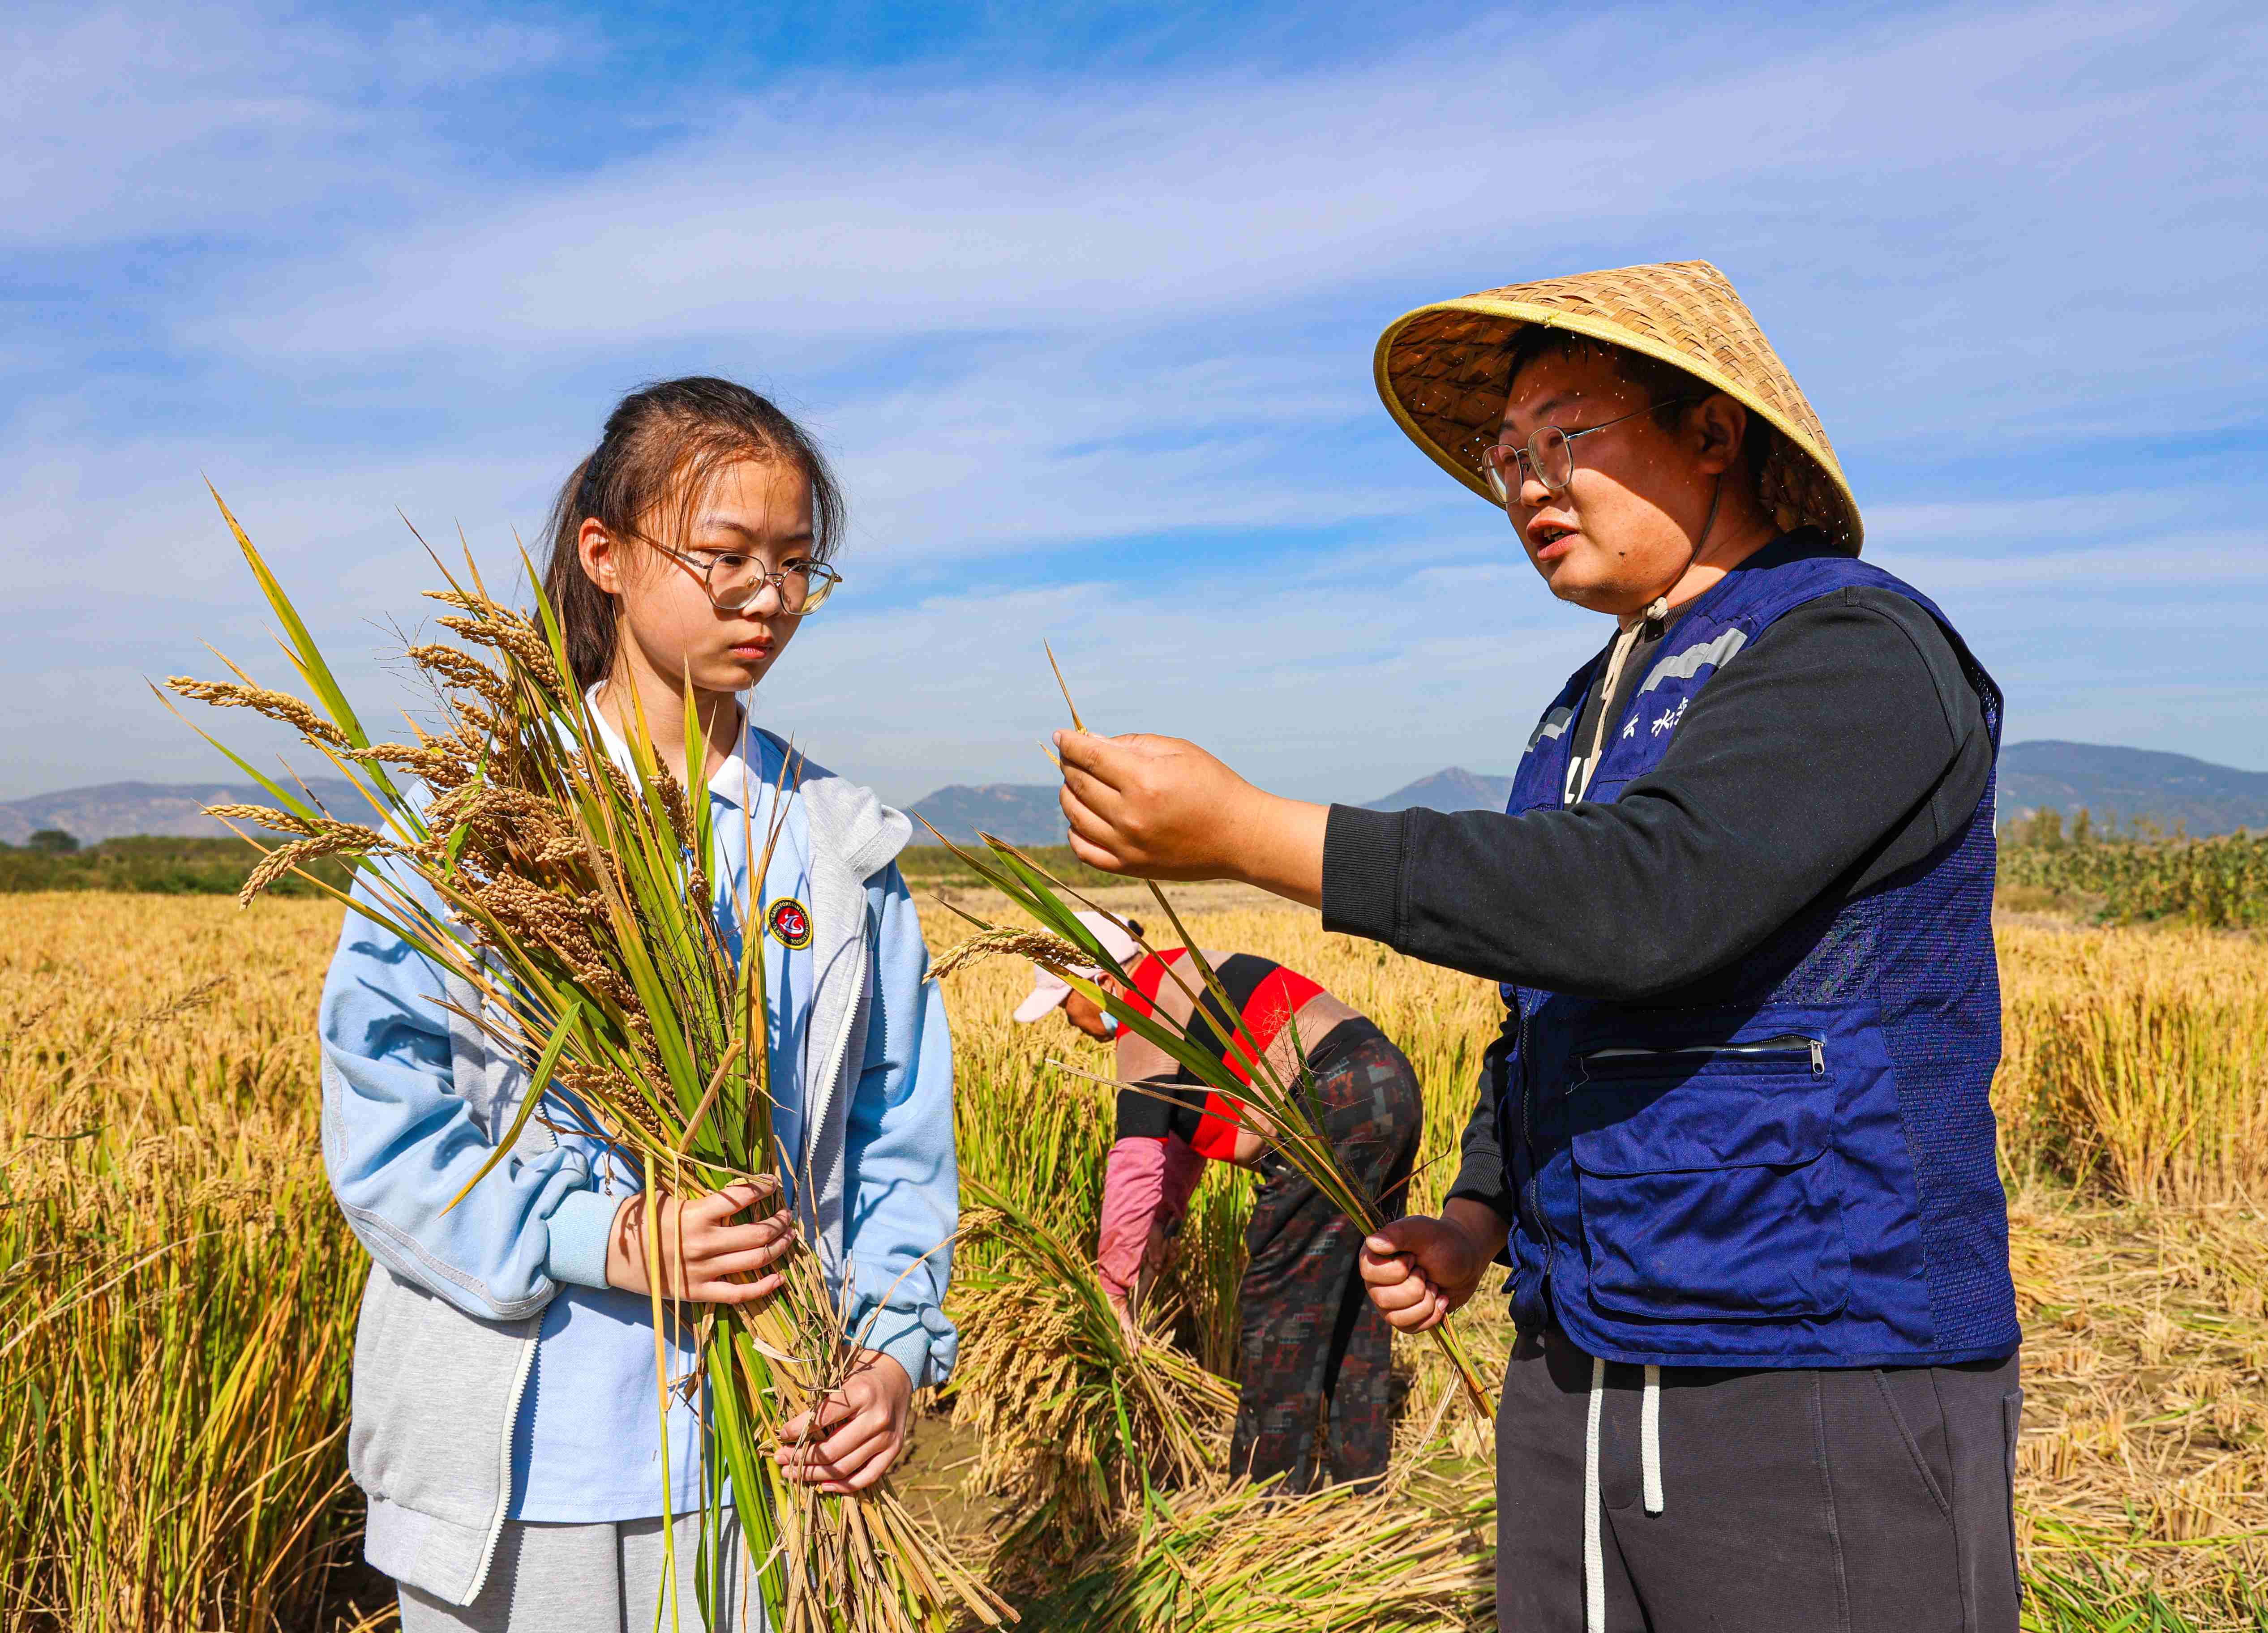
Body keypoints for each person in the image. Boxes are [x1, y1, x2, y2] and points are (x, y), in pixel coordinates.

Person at [1051, 262, 2020, 1631]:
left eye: (1569, 438)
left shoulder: (1852, 648)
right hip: (1584, 1345)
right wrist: (1477, 1217)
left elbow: (1644, 898)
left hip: (1816, 1350)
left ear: (1710, 433)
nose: (1527, 485)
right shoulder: (1584, 710)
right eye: (1509, 457)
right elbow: (1553, 1001)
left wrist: (1251, 834)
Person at [321, 378, 959, 1631]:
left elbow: (897, 1145)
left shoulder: (839, 848)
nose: (767, 598)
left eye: (796, 566)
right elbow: (389, 1136)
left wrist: (891, 1352)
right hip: (520, 1460)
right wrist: (612, 1240)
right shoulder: (472, 837)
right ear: (605, 557)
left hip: (764, 1449)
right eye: (725, 558)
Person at [1012, 910, 1423, 1490]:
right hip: (1387, 1081)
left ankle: (1266, 1502)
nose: (1069, 1023)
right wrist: (1165, 1226)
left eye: (1063, 1006)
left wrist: (1111, 1291)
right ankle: (1364, 1482)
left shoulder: (1145, 1008)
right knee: (1360, 1286)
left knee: (1280, 1302)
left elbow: (1136, 1161)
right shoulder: (1182, 979)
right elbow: (1181, 1141)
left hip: (1331, 1101)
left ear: (1098, 981)